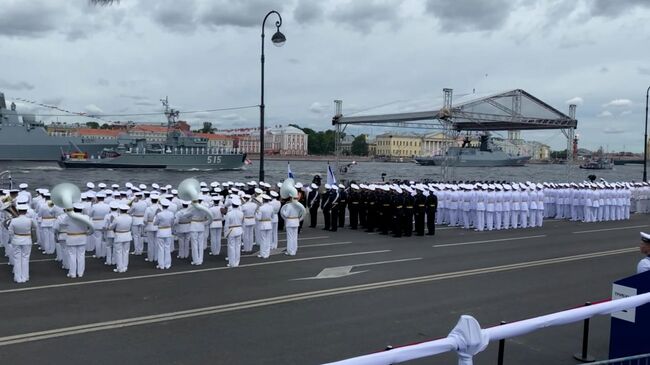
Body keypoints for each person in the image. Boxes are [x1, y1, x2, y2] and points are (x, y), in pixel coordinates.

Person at [7, 204, 36, 283]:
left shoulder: (13, 220)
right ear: (26, 211)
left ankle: (18, 278)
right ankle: (25, 277)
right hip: (27, 240)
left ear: (18, 211)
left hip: (16, 240)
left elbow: (10, 232)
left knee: (17, 259)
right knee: (25, 258)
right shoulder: (29, 220)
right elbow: (35, 226)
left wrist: (15, 236)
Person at [111, 205, 133, 273]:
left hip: (119, 236)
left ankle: (120, 268)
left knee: (118, 252)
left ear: (120, 210)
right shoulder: (130, 218)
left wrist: (111, 222)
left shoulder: (117, 218)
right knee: (126, 252)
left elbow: (111, 227)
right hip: (127, 235)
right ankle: (125, 267)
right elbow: (131, 226)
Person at [153, 199, 175, 270]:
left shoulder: (159, 214)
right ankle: (167, 264)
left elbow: (155, 223)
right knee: (167, 248)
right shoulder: (171, 214)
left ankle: (161, 265)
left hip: (161, 232)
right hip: (168, 231)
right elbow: (172, 223)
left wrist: (155, 215)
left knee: (161, 249)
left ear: (162, 206)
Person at [223, 196, 244, 267]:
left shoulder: (229, 213)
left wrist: (225, 233)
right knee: (238, 247)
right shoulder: (241, 213)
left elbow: (226, 225)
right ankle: (237, 262)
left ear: (232, 205)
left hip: (231, 230)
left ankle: (232, 263)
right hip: (239, 230)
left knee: (231, 247)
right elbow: (242, 222)